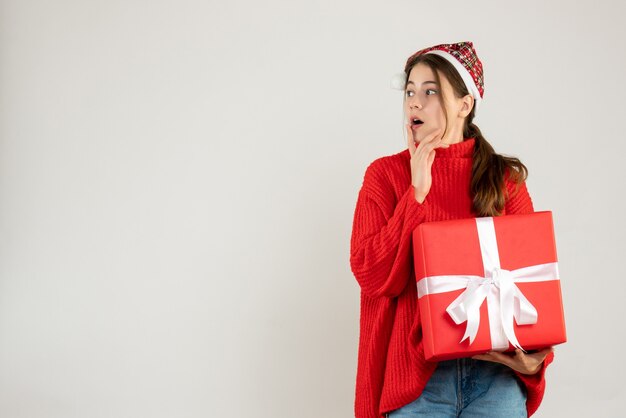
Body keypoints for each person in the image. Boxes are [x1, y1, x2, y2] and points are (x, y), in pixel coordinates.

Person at [349, 41, 555, 418]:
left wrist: (536, 359)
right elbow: (373, 277)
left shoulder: (504, 179)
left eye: (430, 92)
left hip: (497, 379)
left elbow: (530, 284)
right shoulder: (385, 176)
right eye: (409, 91)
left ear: (465, 104)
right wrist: (417, 195)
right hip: (418, 383)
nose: (414, 102)